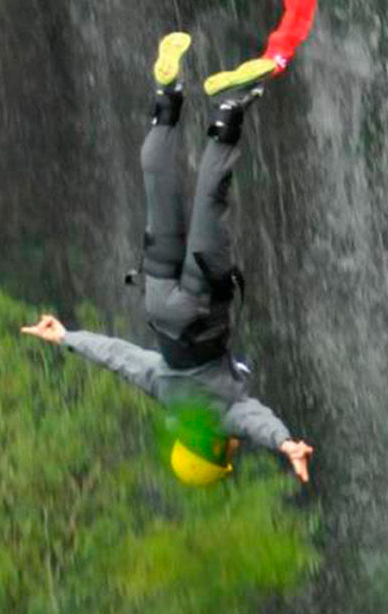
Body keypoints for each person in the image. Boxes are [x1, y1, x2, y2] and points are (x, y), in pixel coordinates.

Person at [22, 32, 314, 488]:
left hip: (201, 305)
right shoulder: (163, 392)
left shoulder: (221, 419)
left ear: (213, 449)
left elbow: (256, 421)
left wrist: (285, 443)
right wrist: (65, 337)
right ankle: (168, 95)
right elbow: (119, 357)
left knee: (209, 199)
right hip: (158, 303)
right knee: (159, 190)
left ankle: (232, 107)